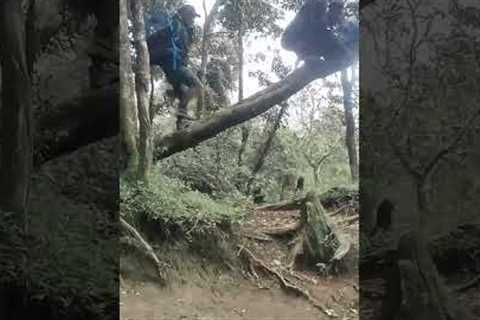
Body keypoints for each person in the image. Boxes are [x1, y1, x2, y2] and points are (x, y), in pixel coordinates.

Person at [147, 4, 203, 130]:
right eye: (191, 16)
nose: (193, 20)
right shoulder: (175, 25)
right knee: (198, 86)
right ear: (184, 15)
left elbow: (183, 49)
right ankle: (182, 111)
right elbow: (156, 36)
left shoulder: (184, 29)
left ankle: (181, 125)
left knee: (183, 93)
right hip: (175, 67)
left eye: (193, 17)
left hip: (174, 68)